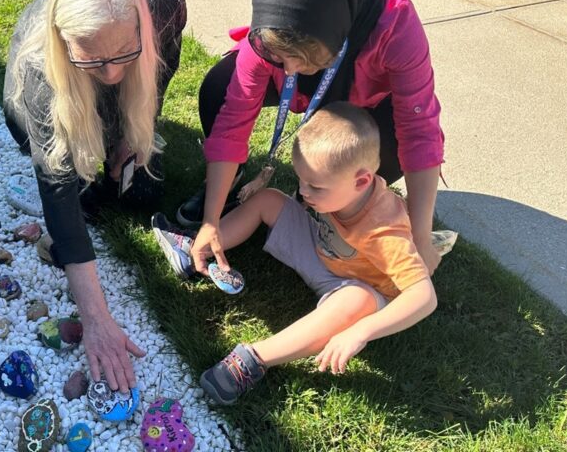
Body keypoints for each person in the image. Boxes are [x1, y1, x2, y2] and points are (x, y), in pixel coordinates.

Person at [177, 0, 445, 277]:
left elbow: (419, 129)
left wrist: (421, 237)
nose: (286, 70)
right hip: (314, 83)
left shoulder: (396, 23)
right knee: (220, 89)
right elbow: (232, 123)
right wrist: (211, 219)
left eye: (302, 59)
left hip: (361, 103)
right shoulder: (271, 29)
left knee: (387, 153)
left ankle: (339, 205)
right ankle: (228, 182)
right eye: (277, 56)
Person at [160, 102, 437, 404]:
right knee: (269, 199)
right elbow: (303, 200)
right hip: (323, 250)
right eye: (301, 180)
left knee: (358, 301)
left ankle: (252, 360)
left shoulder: (384, 229)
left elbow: (424, 297)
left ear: (361, 182)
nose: (303, 192)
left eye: (315, 187)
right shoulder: (336, 188)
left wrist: (361, 331)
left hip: (356, 286)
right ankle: (195, 249)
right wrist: (314, 193)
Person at [3, 0, 187, 392]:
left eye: (125, 53)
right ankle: (89, 133)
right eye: (94, 60)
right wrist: (97, 319)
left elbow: (159, 75)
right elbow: (58, 196)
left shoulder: (164, 3)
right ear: (64, 42)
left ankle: (110, 138)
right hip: (47, 99)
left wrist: (131, 133)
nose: (112, 74)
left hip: (104, 65)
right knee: (80, 193)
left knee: (143, 191)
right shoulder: (38, 75)